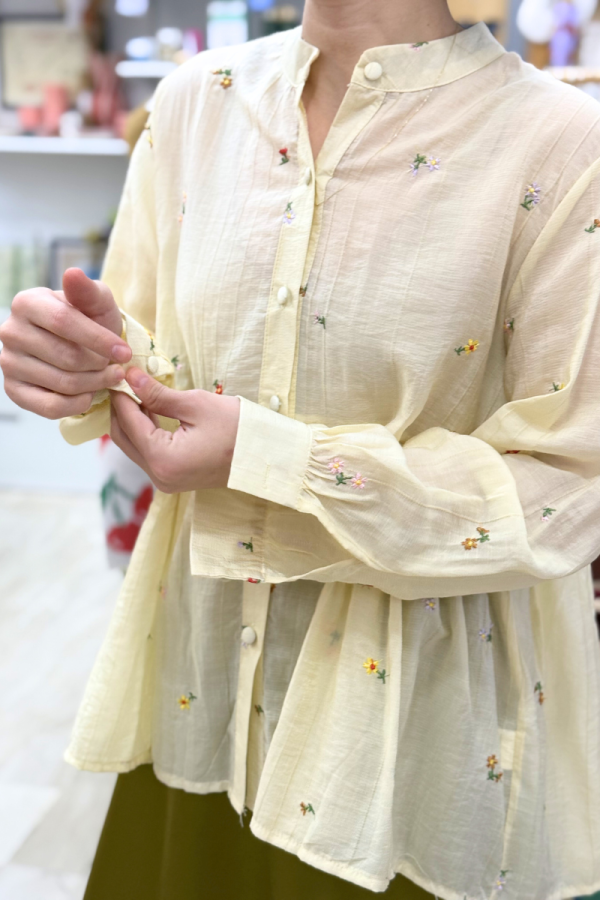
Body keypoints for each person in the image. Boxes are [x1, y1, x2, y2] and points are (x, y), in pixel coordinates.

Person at [2, 0, 600, 897]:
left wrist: (272, 458)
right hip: (197, 691)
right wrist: (78, 360)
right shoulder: (197, 102)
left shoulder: (560, 145)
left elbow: (566, 487)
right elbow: (147, 358)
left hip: (411, 738)